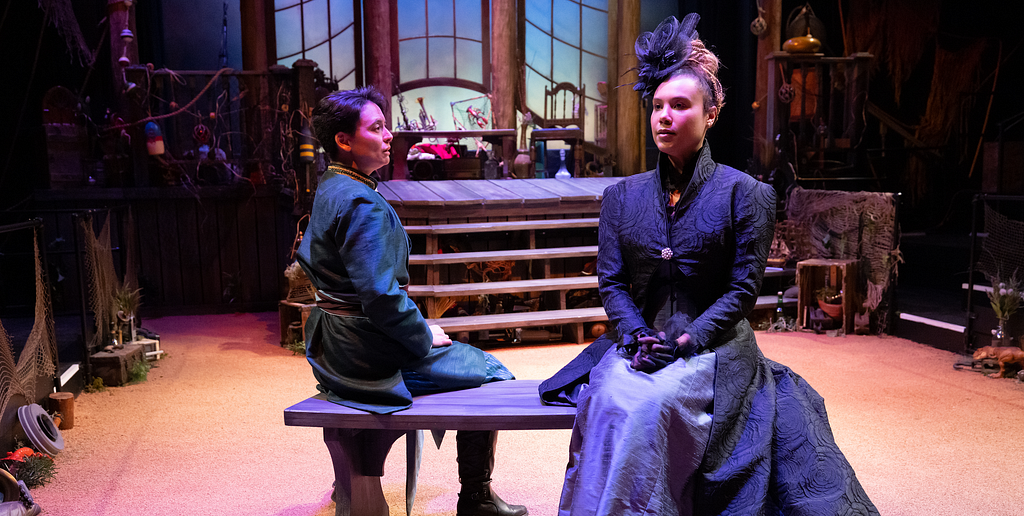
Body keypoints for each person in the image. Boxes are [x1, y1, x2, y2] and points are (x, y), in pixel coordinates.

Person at [538, 14, 878, 516]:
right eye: (657, 106)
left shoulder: (748, 194)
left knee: (653, 405)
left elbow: (742, 291)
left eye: (679, 105)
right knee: (609, 402)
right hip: (639, 342)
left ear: (711, 113)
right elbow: (611, 283)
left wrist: (685, 341)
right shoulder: (620, 197)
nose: (664, 117)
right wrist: (635, 334)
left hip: (712, 346)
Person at [296, 86, 527, 516]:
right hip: (368, 356)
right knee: (494, 373)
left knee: (459, 353)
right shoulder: (361, 202)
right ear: (344, 141)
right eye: (377, 127)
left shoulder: (332, 184)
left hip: (334, 345)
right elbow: (382, 299)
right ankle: (476, 498)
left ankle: (349, 476)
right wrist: (422, 336)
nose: (389, 136)